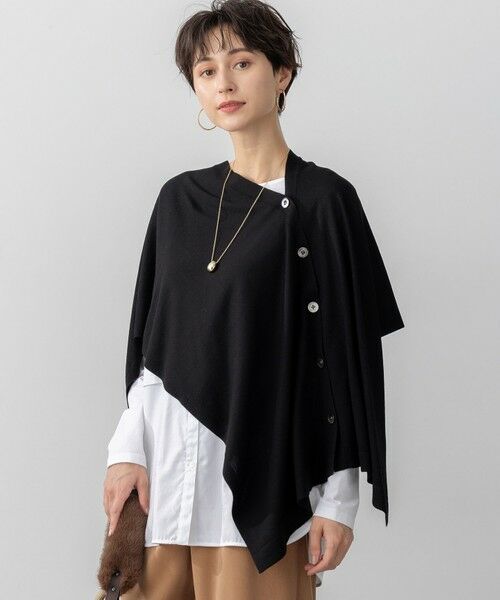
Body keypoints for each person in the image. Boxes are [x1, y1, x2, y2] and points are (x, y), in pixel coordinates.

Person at [102, 1, 404, 598]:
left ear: (282, 72)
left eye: (241, 63)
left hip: (263, 483)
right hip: (164, 480)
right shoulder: (178, 201)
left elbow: (344, 361)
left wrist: (338, 499)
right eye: (206, 71)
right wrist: (125, 450)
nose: (224, 83)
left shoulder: (324, 202)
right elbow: (152, 348)